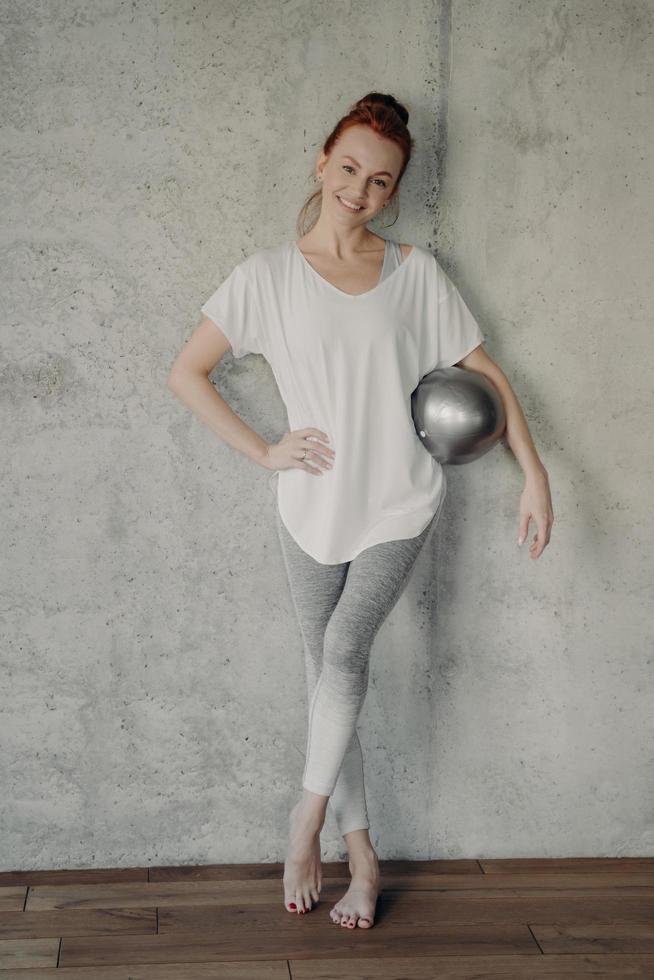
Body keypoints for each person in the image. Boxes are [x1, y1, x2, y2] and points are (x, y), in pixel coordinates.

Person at [168, 92, 554, 930]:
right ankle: (364, 853)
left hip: (396, 502)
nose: (360, 189)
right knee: (326, 681)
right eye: (348, 168)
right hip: (309, 507)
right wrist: (267, 449)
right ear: (321, 162)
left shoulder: (415, 275)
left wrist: (535, 474)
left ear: (394, 191)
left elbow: (490, 376)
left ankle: (303, 824)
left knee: (344, 650)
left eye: (380, 181)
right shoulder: (264, 278)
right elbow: (186, 373)